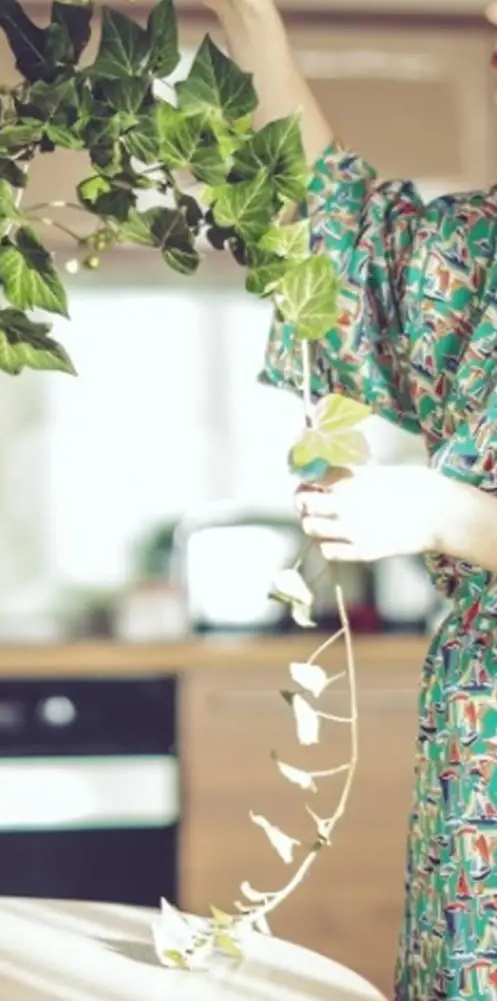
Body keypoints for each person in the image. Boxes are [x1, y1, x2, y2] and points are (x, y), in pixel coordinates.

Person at [200, 1, 497, 998]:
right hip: (479, 749)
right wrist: (251, 23)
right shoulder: (476, 252)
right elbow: (334, 231)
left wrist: (447, 515)